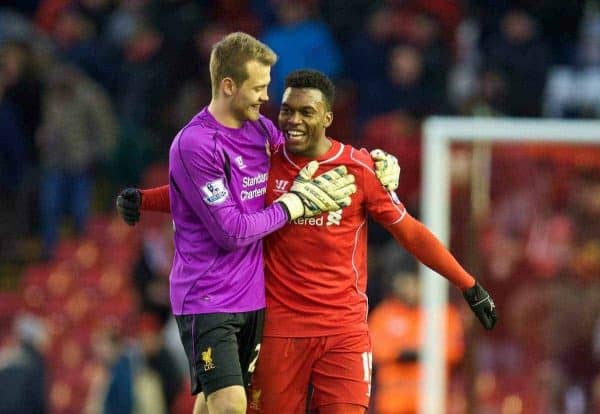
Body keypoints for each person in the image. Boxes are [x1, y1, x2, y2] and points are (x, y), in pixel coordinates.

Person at [119, 69, 497, 413]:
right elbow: (204, 195)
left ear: (328, 118)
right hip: (277, 331)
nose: (293, 121)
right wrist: (146, 200)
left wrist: (468, 284)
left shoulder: (359, 170)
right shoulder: (261, 162)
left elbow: (410, 231)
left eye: (305, 112)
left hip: (343, 333)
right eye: (286, 111)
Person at [116, 32, 398, 414]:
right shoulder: (195, 143)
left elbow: (305, 158)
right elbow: (231, 228)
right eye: (260, 87)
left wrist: (371, 161)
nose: (266, 97)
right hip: (207, 298)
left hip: (253, 299)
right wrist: (293, 205)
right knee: (231, 404)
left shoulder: (262, 132)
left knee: (211, 402)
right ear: (229, 86)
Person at [368, 270, 465, 414]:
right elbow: (373, 350)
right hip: (392, 403)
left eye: (414, 283)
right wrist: (400, 353)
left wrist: (424, 353)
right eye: (405, 283)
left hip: (433, 400)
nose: (410, 289)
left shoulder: (444, 313)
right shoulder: (384, 313)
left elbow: (454, 350)